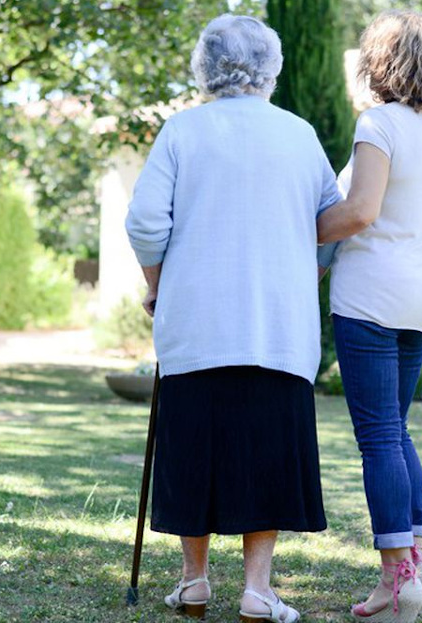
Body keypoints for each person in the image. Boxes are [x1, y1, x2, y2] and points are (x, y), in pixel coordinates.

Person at [125, 14, 341, 623]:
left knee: (192, 451)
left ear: (204, 64)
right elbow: (332, 222)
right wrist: (307, 272)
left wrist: (157, 284)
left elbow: (145, 222)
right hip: (276, 326)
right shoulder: (298, 134)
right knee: (267, 456)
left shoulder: (182, 131)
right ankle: (257, 591)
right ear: (271, 66)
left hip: (195, 324)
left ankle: (194, 583)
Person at [317, 10, 422, 622]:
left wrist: (294, 233)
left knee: (378, 436)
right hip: (421, 294)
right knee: (397, 430)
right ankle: (415, 563)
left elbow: (359, 212)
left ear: (382, 62)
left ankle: (397, 577)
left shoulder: (379, 123)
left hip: (371, 295)